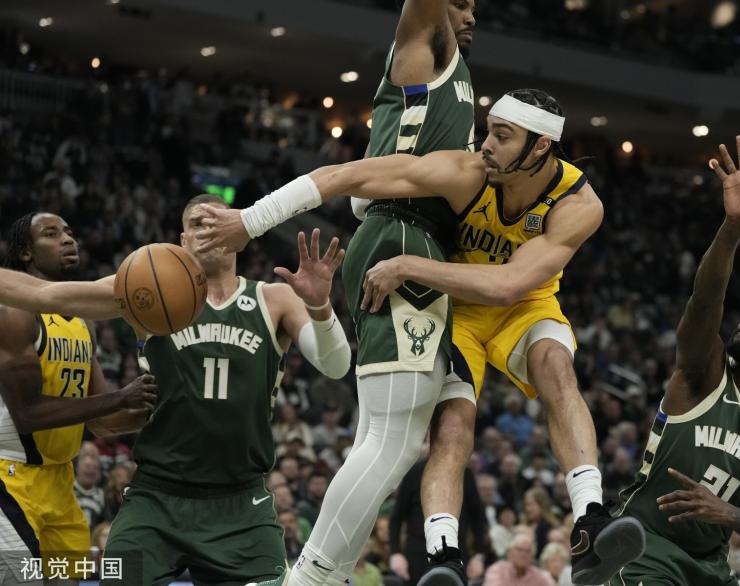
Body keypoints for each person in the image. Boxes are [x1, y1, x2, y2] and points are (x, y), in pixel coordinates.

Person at [194, 88, 645, 585]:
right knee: (452, 425)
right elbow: (344, 176)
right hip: (459, 310)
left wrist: (409, 265)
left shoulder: (579, 203)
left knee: (556, 368)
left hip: (523, 303)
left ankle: (590, 519)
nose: (486, 144)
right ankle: (443, 554)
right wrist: (250, 220)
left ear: (540, 147)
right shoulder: (467, 171)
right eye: (488, 130)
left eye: (502, 136)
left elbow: (508, 285)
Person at [199, 0, 480, 583]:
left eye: (474, 9)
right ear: (429, 2)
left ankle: (328, 575)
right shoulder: (421, 46)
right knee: (394, 442)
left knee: (384, 439)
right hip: (401, 234)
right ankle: (308, 577)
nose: (469, 17)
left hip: (409, 241)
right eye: (459, 3)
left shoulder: (458, 81)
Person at [0, 195, 352, 585]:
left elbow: (336, 365)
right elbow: (46, 295)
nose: (210, 229)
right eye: (199, 223)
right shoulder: (144, 288)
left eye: (220, 221)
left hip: (241, 503)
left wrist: (320, 308)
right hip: (155, 499)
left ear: (242, 233)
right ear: (183, 240)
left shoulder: (275, 298)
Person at [612, 137, 740, 586]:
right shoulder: (706, 370)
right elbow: (705, 299)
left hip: (709, 568)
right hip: (643, 547)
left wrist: (729, 513)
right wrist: (733, 226)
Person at [0, 212, 156, 582]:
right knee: (21, 579)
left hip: (60, 483)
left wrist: (153, 408)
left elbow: (101, 421)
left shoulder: (81, 321)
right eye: (51, 234)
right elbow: (27, 414)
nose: (68, 239)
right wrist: (122, 397)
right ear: (25, 252)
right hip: (9, 477)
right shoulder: (13, 311)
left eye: (69, 232)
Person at [482, 532, 554, 586]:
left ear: (532, 557)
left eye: (528, 551)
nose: (523, 554)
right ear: (509, 553)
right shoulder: (497, 570)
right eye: (519, 550)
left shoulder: (538, 575)